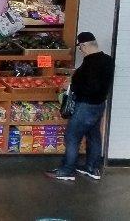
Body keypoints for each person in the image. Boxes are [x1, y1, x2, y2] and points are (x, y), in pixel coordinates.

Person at [47, 32, 114, 182]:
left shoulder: (90, 63)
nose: (81, 51)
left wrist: (72, 86)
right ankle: (92, 168)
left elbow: (91, 86)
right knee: (94, 136)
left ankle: (67, 170)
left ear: (84, 45)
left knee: (72, 137)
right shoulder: (108, 60)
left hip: (86, 106)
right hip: (99, 104)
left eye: (80, 47)